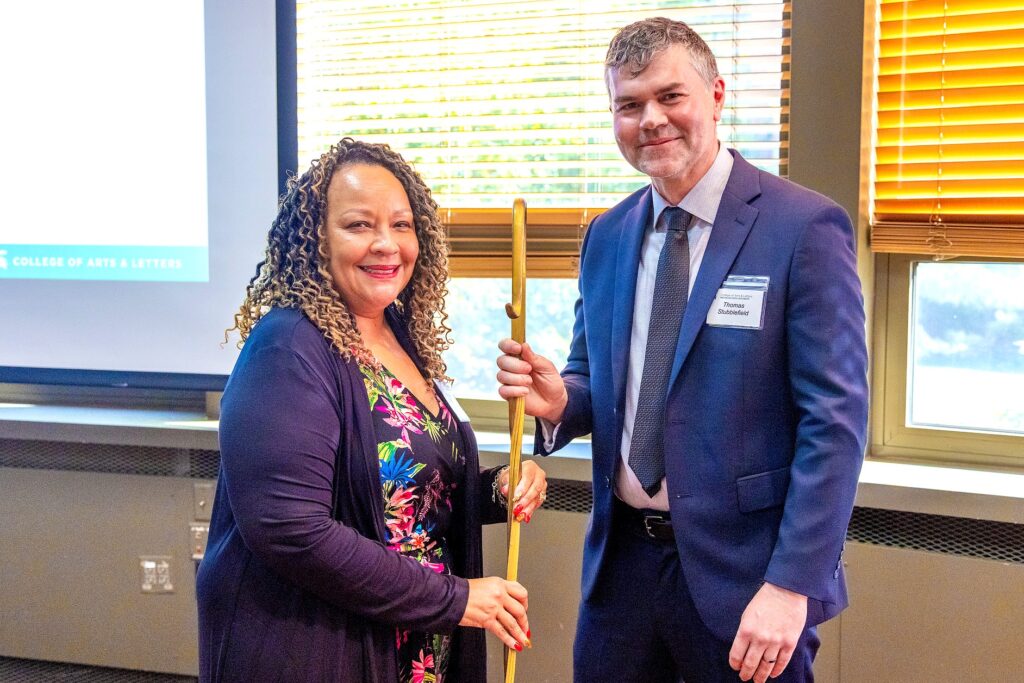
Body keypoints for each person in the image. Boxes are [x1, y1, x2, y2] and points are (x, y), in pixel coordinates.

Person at [496, 17, 868, 683]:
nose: (651, 120)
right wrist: (560, 400)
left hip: (749, 581)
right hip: (622, 578)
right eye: (629, 104)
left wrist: (791, 586)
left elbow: (834, 424)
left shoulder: (801, 227)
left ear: (717, 95)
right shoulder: (606, 236)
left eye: (671, 96)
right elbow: (593, 379)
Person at [198, 138, 547, 683]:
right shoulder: (288, 348)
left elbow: (400, 494)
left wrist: (501, 487)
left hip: (414, 644)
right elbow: (291, 530)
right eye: (359, 225)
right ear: (316, 240)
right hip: (318, 650)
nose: (386, 244)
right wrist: (456, 598)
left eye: (401, 225)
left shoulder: (395, 335)